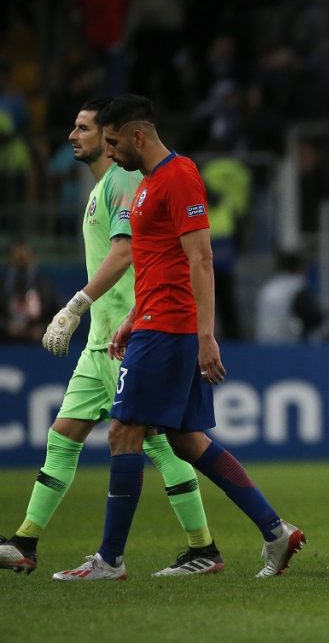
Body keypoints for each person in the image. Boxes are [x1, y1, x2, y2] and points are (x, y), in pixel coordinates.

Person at [51, 94, 305, 581]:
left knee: (124, 431)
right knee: (187, 441)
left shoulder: (179, 175)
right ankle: (276, 532)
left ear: (138, 136)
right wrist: (132, 318)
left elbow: (201, 259)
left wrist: (205, 336)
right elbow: (157, 265)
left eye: (113, 141)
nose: (110, 151)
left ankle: (109, 559)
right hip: (152, 321)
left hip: (171, 328)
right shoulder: (145, 186)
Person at [0, 97, 219, 577]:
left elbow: (124, 253)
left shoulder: (124, 181)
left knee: (158, 441)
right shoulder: (104, 186)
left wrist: (73, 306)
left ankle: (202, 546)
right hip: (102, 338)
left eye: (83, 128)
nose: (73, 136)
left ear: (109, 135)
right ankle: (25, 542)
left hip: (129, 335)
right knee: (63, 437)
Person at [254, 250, 324, 343]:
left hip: (263, 345)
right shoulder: (296, 287)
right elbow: (315, 317)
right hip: (287, 348)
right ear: (300, 268)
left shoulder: (268, 287)